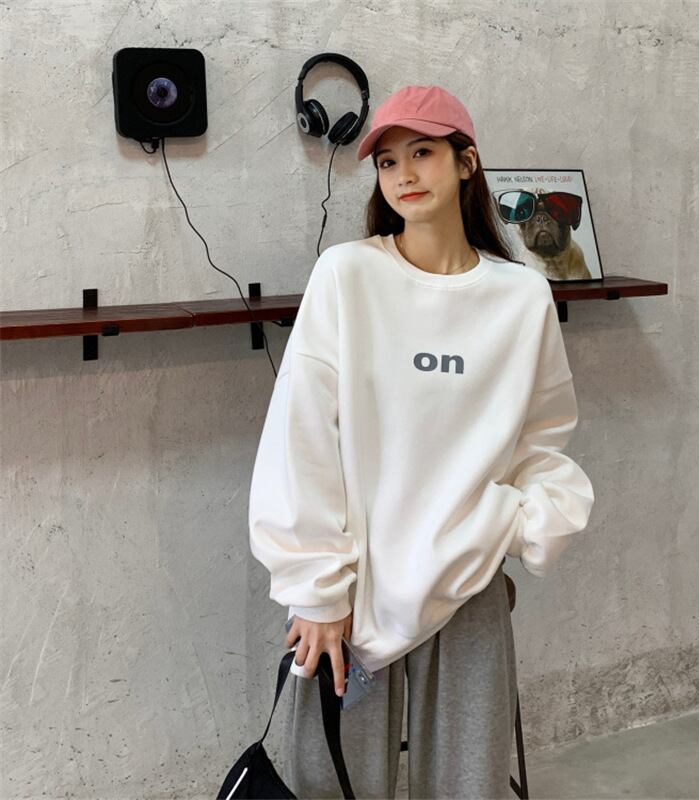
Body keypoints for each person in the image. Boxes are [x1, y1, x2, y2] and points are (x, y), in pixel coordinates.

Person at [248, 85, 595, 799]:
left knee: (469, 785)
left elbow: (542, 439)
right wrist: (315, 589)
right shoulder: (348, 275)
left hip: (467, 578)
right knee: (330, 784)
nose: (403, 174)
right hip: (353, 588)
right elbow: (302, 437)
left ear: (467, 162)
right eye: (387, 161)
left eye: (423, 153)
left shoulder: (521, 296)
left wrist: (521, 524)